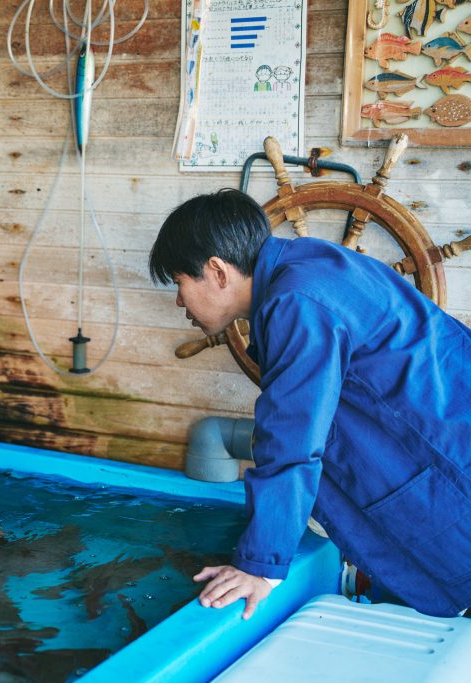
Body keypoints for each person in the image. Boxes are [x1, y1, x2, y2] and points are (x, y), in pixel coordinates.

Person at [148, 188, 471, 619]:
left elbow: (291, 436)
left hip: (446, 466)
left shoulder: (296, 302)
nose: (179, 301)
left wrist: (261, 567)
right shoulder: (312, 263)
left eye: (179, 284)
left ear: (217, 271)